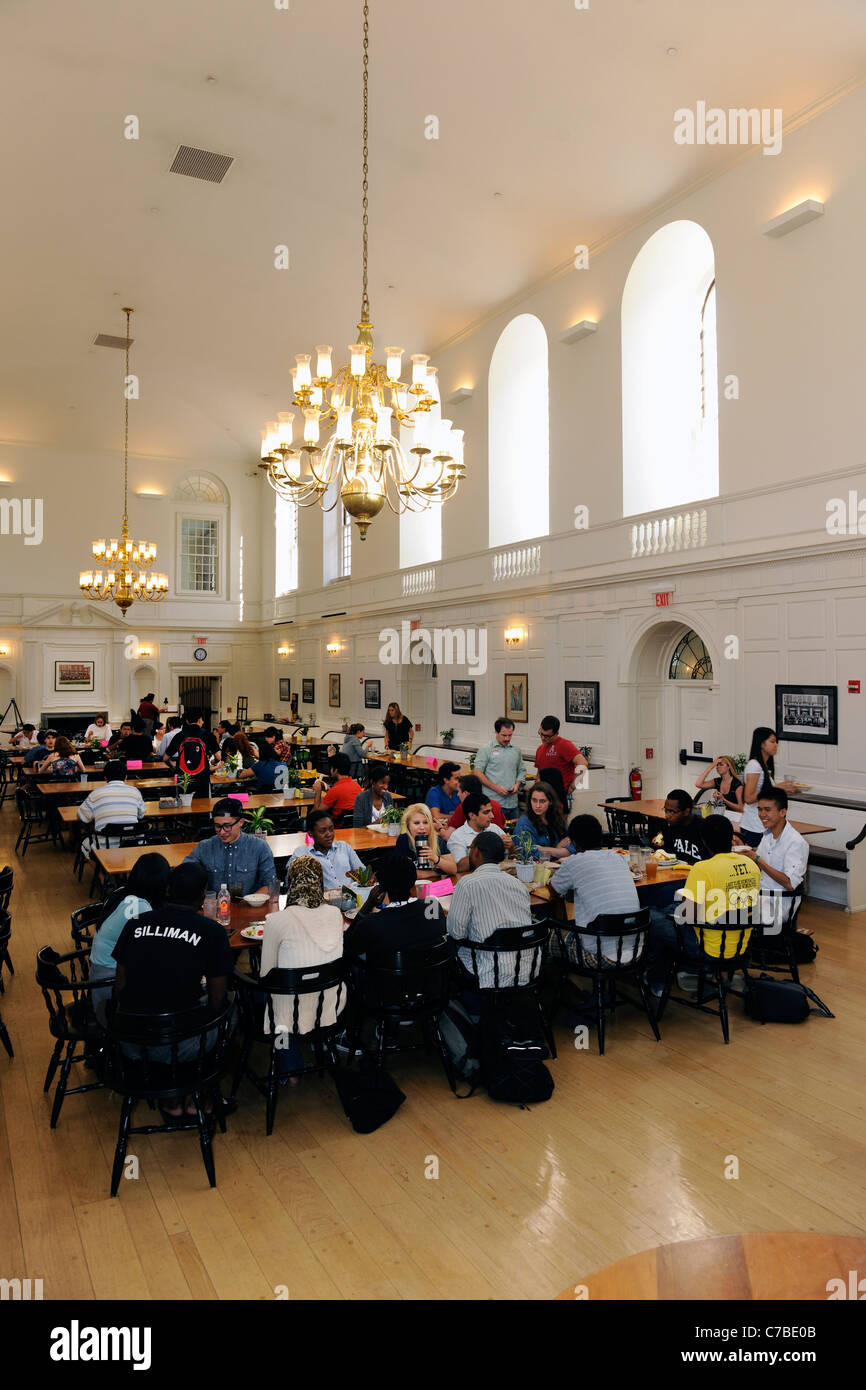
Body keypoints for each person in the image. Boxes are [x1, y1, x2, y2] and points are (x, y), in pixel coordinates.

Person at [111, 862, 234, 1101]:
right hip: (181, 1044)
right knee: (233, 1008)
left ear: (167, 890)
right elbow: (218, 1000)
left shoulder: (135, 922)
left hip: (131, 1040)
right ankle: (201, 1095)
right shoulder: (213, 932)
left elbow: (120, 985)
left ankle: (172, 1097)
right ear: (202, 895)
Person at [645, 815, 762, 992]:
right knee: (668, 915)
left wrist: (677, 911)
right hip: (741, 944)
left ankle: (657, 980)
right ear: (731, 838)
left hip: (707, 946)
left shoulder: (703, 868)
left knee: (649, 916)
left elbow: (688, 916)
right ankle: (666, 975)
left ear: (703, 841)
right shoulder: (751, 864)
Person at [259, 855, 346, 1077]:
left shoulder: (276, 920)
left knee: (260, 994)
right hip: (330, 1004)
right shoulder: (336, 914)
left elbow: (265, 976)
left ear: (291, 882)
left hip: (290, 1011)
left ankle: (290, 1068)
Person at [88, 852, 171, 1022]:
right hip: (110, 981)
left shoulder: (123, 893)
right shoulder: (140, 907)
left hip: (100, 970)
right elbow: (154, 948)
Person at [447, 832, 535, 990]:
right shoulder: (518, 884)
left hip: (489, 971)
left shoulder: (467, 884)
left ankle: (470, 1007)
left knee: (448, 946)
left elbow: (456, 934)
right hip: (527, 967)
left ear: (476, 852)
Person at [550, 814, 641, 964]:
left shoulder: (574, 862)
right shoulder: (618, 858)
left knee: (549, 935)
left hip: (599, 956)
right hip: (637, 950)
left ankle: (561, 985)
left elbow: (554, 890)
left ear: (575, 843)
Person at [345, 852, 447, 956]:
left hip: (387, 970)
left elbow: (347, 947)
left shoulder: (371, 923)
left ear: (381, 885)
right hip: (431, 969)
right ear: (413, 881)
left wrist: (367, 905)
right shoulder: (433, 907)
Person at [738, 787, 809, 924]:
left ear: (783, 812)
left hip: (777, 905)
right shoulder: (768, 835)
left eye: (767, 810)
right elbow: (756, 859)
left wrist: (757, 859)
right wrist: (742, 847)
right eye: (759, 809)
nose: (762, 814)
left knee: (726, 916)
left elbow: (790, 883)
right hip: (760, 897)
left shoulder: (796, 843)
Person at [185, 798, 277, 896]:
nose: (222, 832)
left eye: (227, 826)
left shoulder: (259, 847)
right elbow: (185, 871)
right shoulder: (204, 847)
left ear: (241, 822)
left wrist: (249, 902)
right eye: (217, 826)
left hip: (250, 907)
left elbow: (270, 884)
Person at [738, 727, 798, 849]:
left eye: (776, 742)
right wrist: (775, 788)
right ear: (762, 744)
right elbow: (748, 798)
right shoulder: (754, 765)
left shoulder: (764, 766)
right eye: (772, 741)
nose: (776, 745)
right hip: (754, 825)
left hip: (762, 823)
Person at [288, 809, 363, 891]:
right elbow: (291, 880)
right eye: (322, 831)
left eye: (331, 829)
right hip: (323, 901)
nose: (329, 834)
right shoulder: (302, 853)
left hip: (353, 897)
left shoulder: (344, 847)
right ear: (310, 834)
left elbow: (363, 873)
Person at [77, 761, 145, 837]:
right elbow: (141, 815)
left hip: (104, 846)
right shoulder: (135, 791)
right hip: (133, 843)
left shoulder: (95, 794)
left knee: (84, 844)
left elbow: (84, 817)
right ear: (126, 777)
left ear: (105, 778)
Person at [447, 794, 512, 872]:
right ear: (472, 815)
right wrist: (492, 844)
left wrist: (511, 846)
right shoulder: (457, 836)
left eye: (491, 811)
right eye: (486, 812)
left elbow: (512, 855)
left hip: (500, 874)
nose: (492, 816)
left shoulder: (494, 828)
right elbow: (459, 867)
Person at [474, 717, 525, 815]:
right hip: (493, 803)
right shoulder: (486, 750)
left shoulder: (516, 750)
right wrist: (496, 788)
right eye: (504, 735)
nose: (507, 739)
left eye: (510, 735)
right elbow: (477, 773)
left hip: (513, 803)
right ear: (496, 733)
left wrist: (517, 784)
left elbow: (521, 770)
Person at [535, 716, 588, 807]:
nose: (543, 738)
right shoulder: (540, 749)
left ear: (556, 733)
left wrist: (572, 786)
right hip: (544, 796)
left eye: (547, 736)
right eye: (541, 734)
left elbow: (583, 763)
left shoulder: (564, 745)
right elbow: (539, 773)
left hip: (560, 796)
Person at [395, 804, 459, 878]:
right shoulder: (404, 840)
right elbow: (403, 872)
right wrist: (437, 873)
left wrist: (435, 858)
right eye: (416, 823)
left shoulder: (437, 839)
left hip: (435, 886)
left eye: (425, 822)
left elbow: (453, 869)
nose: (422, 827)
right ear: (408, 825)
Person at [514, 782, 572, 861]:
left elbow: (574, 843)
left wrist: (546, 850)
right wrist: (558, 850)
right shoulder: (524, 822)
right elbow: (531, 855)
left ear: (550, 802)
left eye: (542, 801)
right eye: (534, 800)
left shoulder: (556, 816)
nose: (537, 805)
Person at [659, 789, 706, 863]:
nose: (666, 816)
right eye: (665, 810)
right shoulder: (671, 825)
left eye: (671, 812)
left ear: (686, 812)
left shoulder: (703, 828)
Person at [695, 755, 744, 823]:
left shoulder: (737, 784)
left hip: (734, 817)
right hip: (722, 816)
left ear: (729, 766)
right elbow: (698, 784)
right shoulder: (718, 781)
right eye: (717, 765)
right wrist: (711, 766)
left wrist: (724, 800)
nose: (718, 767)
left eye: (721, 764)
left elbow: (741, 808)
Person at [352, 763, 393, 827]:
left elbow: (392, 822)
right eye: (383, 783)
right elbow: (357, 828)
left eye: (387, 783)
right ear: (373, 782)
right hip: (366, 836)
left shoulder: (388, 797)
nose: (386, 787)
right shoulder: (361, 798)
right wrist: (381, 821)